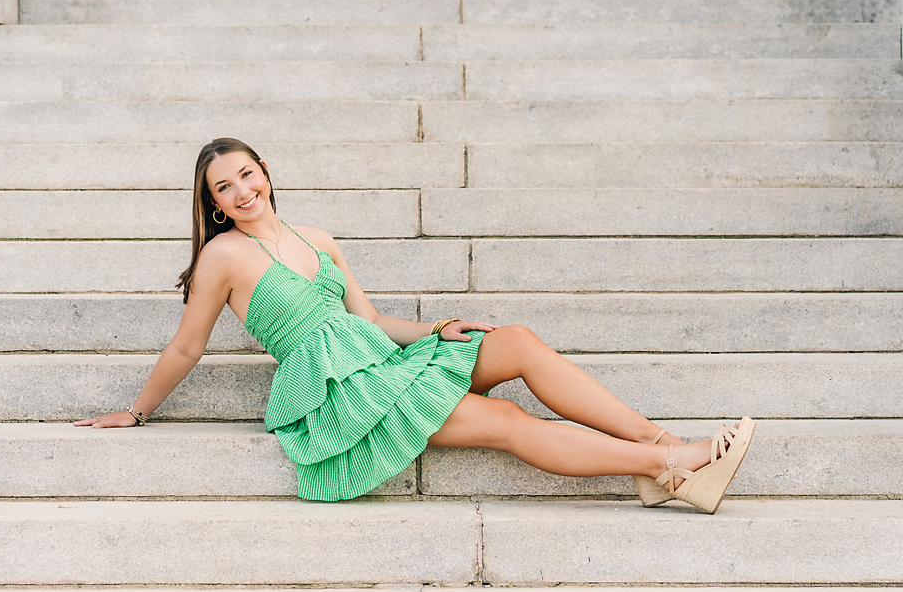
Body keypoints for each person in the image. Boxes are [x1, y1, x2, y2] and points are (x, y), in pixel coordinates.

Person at [75, 138, 754, 513]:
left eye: (246, 175)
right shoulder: (223, 255)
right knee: (506, 422)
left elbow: (369, 320)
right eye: (224, 187)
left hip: (381, 360)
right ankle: (674, 464)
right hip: (344, 393)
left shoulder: (318, 239)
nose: (241, 191)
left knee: (514, 340)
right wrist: (136, 411)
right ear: (215, 204)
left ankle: (660, 443)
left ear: (267, 174)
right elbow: (187, 345)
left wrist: (437, 330)